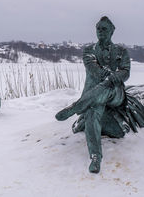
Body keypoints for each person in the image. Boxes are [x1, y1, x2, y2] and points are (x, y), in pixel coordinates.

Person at [55, 16, 131, 173]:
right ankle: (96, 157)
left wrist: (113, 78)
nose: (100, 31)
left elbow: (125, 72)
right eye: (98, 29)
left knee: (106, 87)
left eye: (104, 29)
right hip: (94, 95)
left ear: (112, 31)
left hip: (115, 94)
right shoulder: (88, 51)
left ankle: (77, 106)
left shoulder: (122, 52)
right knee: (92, 113)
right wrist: (109, 76)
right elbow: (94, 69)